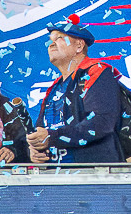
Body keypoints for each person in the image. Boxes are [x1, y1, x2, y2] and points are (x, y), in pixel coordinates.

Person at [30, 18, 123, 163]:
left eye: (59, 38)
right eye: (50, 40)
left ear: (79, 46)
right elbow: (41, 130)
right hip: (52, 173)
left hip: (89, 173)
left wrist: (53, 137)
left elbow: (102, 122)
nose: (51, 44)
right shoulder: (54, 88)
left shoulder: (97, 72)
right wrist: (34, 149)